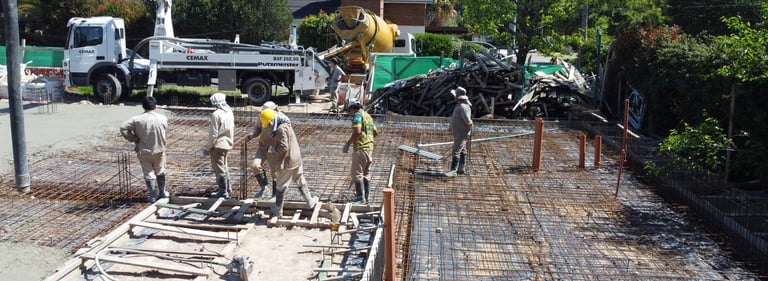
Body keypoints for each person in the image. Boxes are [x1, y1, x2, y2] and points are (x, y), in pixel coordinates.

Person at [258, 108, 318, 217]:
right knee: (299, 178)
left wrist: (273, 150)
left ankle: (278, 209)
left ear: (271, 122)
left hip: (288, 161)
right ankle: (310, 201)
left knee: (281, 185)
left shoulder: (281, 129)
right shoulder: (284, 121)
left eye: (268, 125)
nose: (268, 126)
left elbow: (283, 146)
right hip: (296, 158)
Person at [120, 96, 169, 202]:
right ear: (155, 106)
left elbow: (123, 127)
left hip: (143, 151)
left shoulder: (137, 119)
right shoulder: (163, 118)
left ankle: (152, 196)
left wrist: (133, 138)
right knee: (160, 171)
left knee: (148, 173)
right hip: (159, 150)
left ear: (143, 106)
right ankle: (162, 192)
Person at [245, 101, 288, 200]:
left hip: (275, 148)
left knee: (275, 172)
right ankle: (264, 188)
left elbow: (285, 136)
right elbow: (257, 128)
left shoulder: (282, 119)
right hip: (263, 146)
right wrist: (252, 135)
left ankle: (275, 195)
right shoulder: (263, 116)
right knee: (255, 165)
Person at [343, 100, 379, 204]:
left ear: (352, 108)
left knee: (357, 173)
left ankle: (360, 198)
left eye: (350, 110)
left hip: (360, 148)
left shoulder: (357, 115)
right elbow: (375, 132)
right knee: (366, 173)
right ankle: (366, 197)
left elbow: (357, 131)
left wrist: (348, 144)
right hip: (369, 148)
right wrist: (368, 140)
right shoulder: (367, 115)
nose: (350, 112)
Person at [204, 93, 235, 198]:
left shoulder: (216, 114)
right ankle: (228, 188)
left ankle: (223, 192)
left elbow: (213, 134)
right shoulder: (229, 111)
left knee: (219, 169)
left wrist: (208, 148)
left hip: (218, 145)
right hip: (227, 143)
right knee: (224, 166)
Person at [444, 86, 473, 177]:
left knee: (456, 150)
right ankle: (461, 168)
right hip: (459, 131)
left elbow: (467, 121)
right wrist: (451, 127)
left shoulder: (463, 107)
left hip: (462, 132)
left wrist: (470, 124)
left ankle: (453, 171)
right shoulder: (459, 105)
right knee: (462, 149)